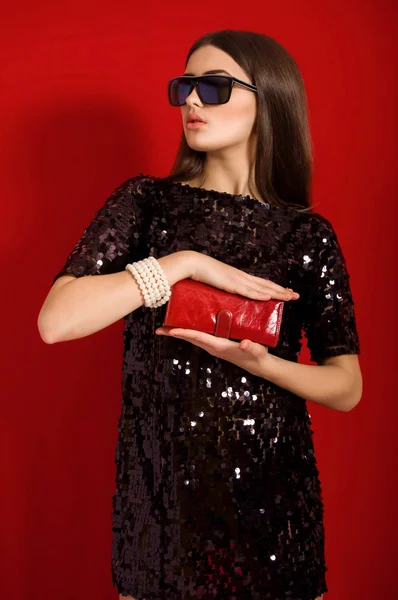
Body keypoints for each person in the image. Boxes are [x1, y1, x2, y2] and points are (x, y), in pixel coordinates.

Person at [38, 29, 362, 600]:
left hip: (276, 513)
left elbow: (346, 385)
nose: (191, 100)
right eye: (185, 86)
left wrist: (261, 365)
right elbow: (56, 321)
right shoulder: (146, 203)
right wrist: (183, 264)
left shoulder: (307, 235)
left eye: (213, 87)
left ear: (271, 99)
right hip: (161, 513)